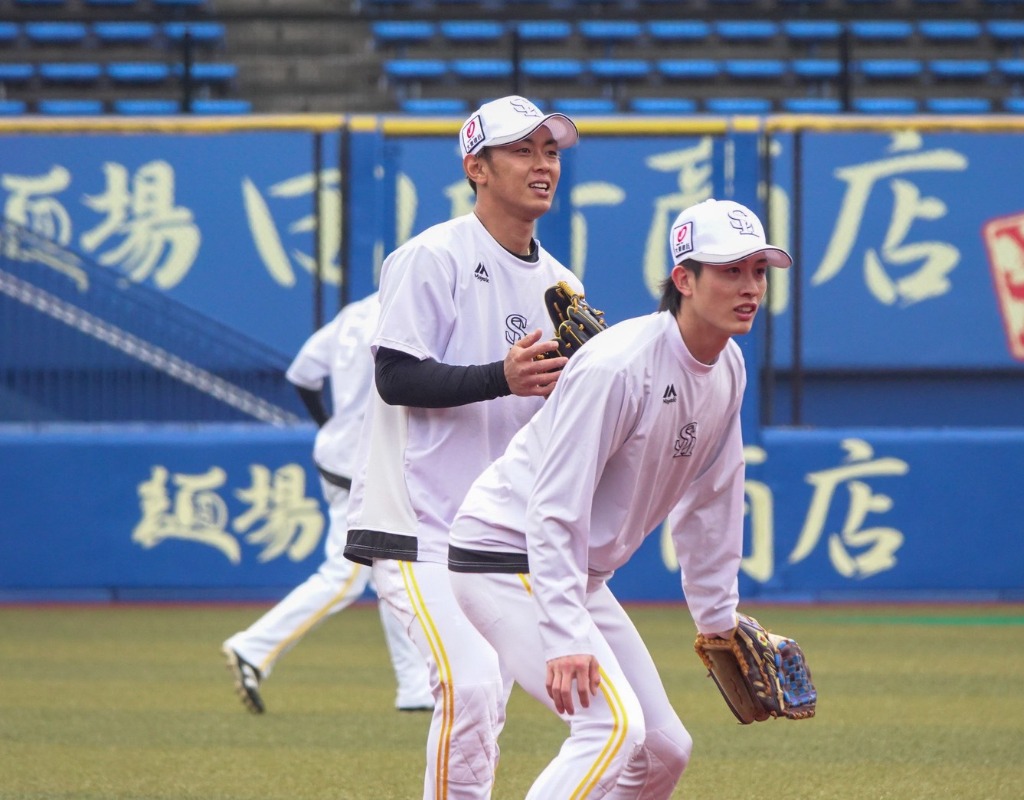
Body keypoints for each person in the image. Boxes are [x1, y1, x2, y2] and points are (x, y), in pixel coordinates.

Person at [446, 198, 792, 798]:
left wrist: (718, 623)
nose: (751, 287)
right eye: (731, 270)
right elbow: (554, 506)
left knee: (663, 750)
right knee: (610, 727)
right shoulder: (618, 367)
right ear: (684, 279)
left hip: (572, 572)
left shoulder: (728, 367)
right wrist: (565, 636)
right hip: (503, 555)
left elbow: (713, 501)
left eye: (759, 270)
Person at [342, 96, 582, 799]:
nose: (543, 164)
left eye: (551, 151)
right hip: (419, 525)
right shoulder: (432, 256)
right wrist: (502, 377)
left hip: (498, 532)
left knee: (494, 705)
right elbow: (395, 378)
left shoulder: (562, 285)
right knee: (471, 687)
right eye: (523, 150)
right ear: (477, 167)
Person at [221, 292, 433, 715]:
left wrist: (329, 423)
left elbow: (303, 374)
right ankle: (253, 647)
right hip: (366, 464)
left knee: (394, 566)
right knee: (345, 575)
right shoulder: (411, 311)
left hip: (339, 452)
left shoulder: (355, 312)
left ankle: (415, 686)